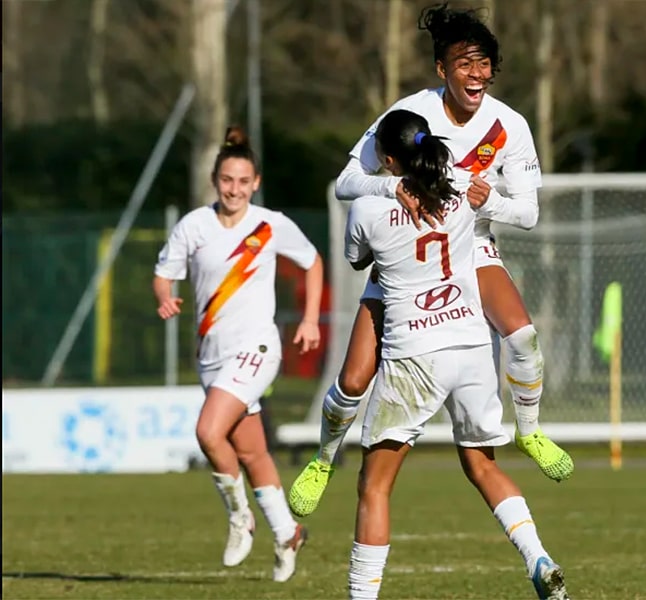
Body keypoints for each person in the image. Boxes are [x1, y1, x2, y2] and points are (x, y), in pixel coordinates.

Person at [289, 1, 573, 519]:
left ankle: (530, 433)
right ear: (442, 69)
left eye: (485, 63)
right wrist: (394, 184)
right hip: (405, 254)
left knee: (523, 335)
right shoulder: (410, 114)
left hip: (473, 246)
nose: (478, 74)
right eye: (465, 63)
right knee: (353, 380)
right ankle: (323, 458)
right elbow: (346, 182)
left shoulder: (509, 124)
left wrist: (492, 203)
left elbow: (529, 213)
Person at [344, 108, 570, 600]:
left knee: (374, 485)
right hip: (470, 347)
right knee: (482, 465)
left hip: (415, 354)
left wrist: (384, 195)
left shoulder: (365, 208)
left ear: (385, 159)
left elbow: (358, 257)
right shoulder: (464, 188)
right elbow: (510, 211)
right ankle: (539, 557)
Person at [153, 125, 319, 583]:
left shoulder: (270, 224)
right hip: (211, 354)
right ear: (215, 179)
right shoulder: (194, 226)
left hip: (257, 347)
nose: (235, 189)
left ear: (256, 183)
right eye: (228, 180)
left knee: (209, 431)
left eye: (244, 182)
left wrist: (307, 319)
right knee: (252, 451)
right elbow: (164, 273)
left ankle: (239, 516)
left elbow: (312, 261)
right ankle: (287, 532)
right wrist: (164, 296)